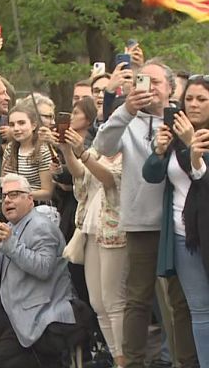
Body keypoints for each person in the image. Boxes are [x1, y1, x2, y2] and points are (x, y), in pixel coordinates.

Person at [93, 59, 197, 368]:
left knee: (181, 301)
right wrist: (125, 109)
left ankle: (186, 362)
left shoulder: (182, 119)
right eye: (142, 81)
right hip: (141, 221)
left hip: (179, 222)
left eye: (155, 82)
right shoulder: (127, 118)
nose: (148, 88)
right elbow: (103, 145)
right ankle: (133, 362)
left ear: (170, 87)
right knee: (137, 298)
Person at [0, 174, 92, 368]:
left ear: (30, 199)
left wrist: (10, 244)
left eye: (14, 194)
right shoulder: (9, 227)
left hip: (44, 318)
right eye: (4, 195)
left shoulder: (41, 226)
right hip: (16, 315)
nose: (7, 200)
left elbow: (43, 268)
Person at [143, 74, 209, 367]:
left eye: (202, 99)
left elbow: (202, 177)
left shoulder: (193, 135)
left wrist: (188, 144)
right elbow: (152, 175)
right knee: (199, 310)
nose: (193, 105)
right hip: (183, 235)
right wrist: (159, 150)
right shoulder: (176, 131)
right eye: (189, 99)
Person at [58, 123, 126, 368]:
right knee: (98, 303)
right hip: (91, 230)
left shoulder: (130, 151)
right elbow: (81, 176)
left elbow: (110, 180)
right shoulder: (98, 151)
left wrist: (83, 153)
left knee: (114, 302)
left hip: (117, 233)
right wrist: (67, 150)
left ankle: (124, 360)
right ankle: (117, 357)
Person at [2, 102, 54, 201]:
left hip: (37, 206)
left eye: (21, 123)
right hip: (12, 205)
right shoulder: (10, 148)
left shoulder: (42, 150)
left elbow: (47, 192)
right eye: (12, 125)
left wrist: (20, 195)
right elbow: (3, 181)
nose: (16, 128)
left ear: (33, 125)